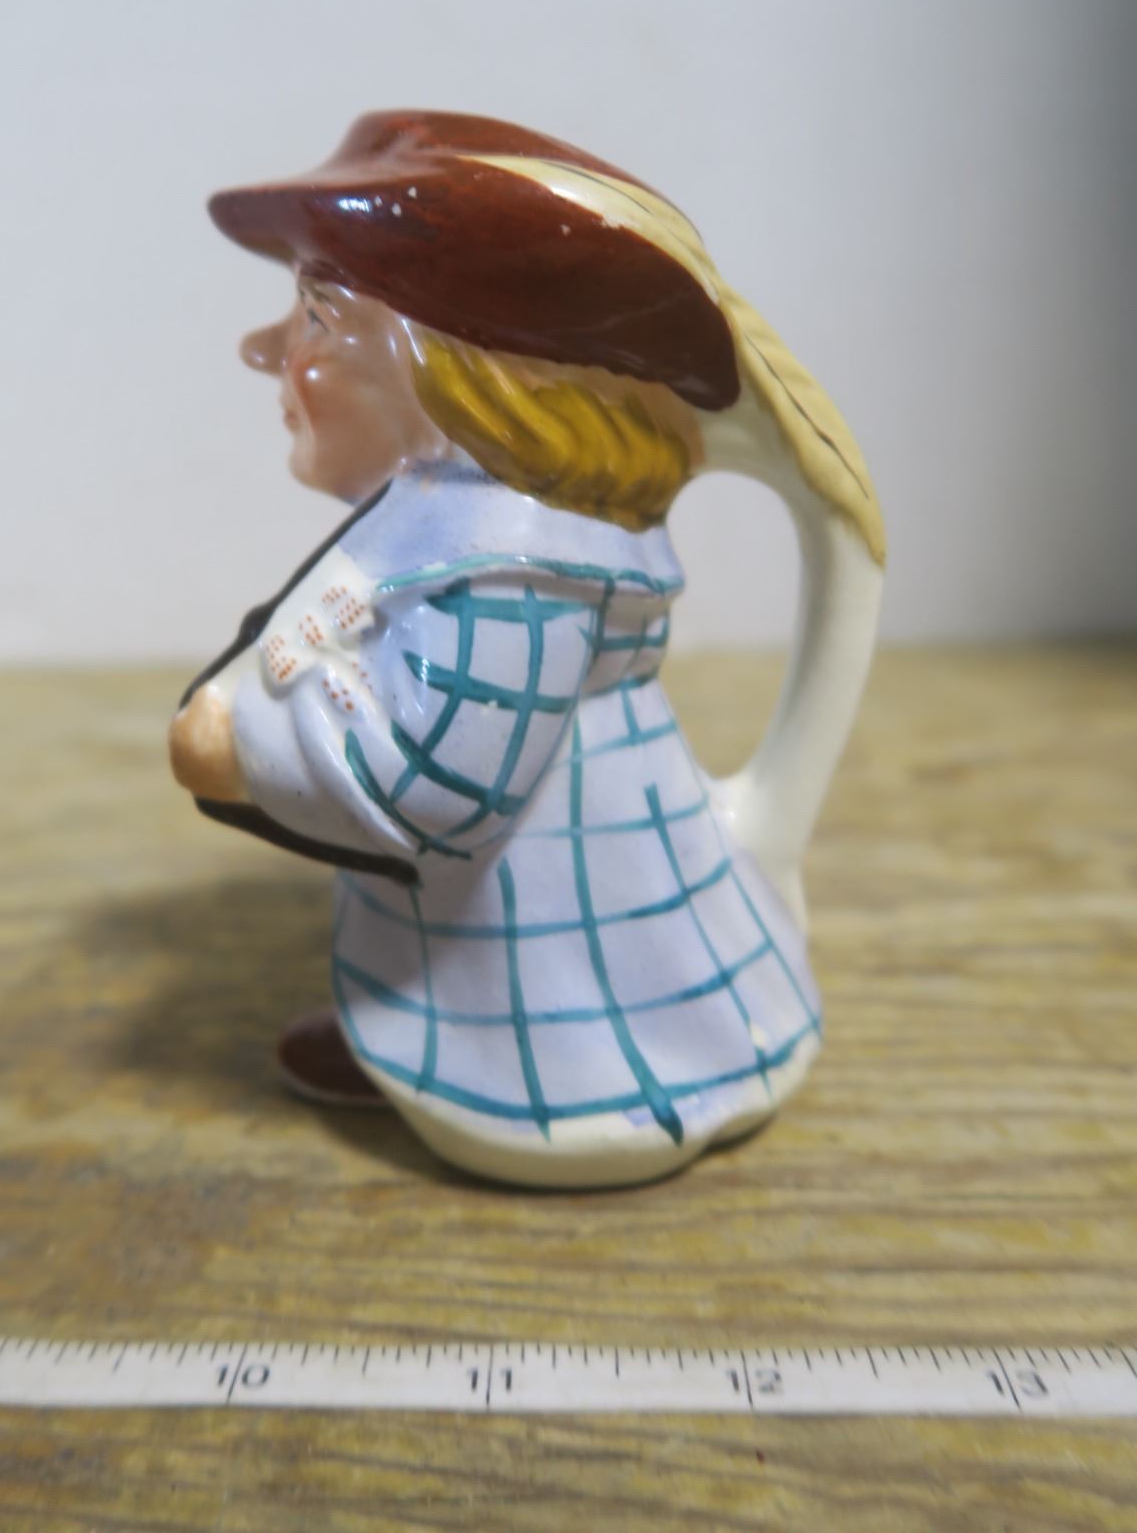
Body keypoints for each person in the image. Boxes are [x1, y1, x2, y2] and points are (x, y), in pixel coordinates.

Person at [169, 110, 885, 1187]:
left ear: (451, 369)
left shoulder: (509, 565)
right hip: (478, 917)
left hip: (564, 915)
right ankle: (415, 1035)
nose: (266, 349)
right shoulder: (446, 521)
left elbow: (440, 786)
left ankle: (588, 1094)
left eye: (318, 313)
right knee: (458, 962)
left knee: (566, 995)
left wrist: (241, 747)